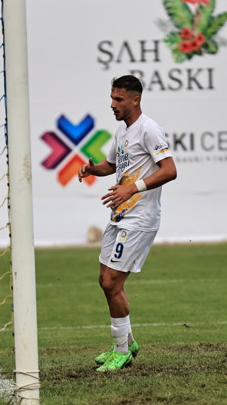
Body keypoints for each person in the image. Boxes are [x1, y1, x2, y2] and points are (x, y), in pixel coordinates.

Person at [78, 75, 177, 372]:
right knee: (104, 281)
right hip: (120, 216)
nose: (113, 104)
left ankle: (120, 350)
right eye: (112, 98)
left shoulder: (149, 130)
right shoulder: (123, 132)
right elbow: (114, 165)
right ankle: (127, 341)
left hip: (140, 219)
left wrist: (132, 189)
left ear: (135, 99)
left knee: (112, 282)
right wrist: (94, 168)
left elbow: (170, 170)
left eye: (118, 99)